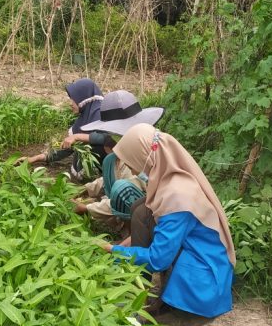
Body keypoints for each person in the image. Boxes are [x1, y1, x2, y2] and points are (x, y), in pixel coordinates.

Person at [97, 123, 235, 319]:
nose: (130, 168)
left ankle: (174, 307)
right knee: (141, 209)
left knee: (165, 320)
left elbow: (158, 259)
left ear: (144, 157)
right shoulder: (169, 180)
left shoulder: (177, 197)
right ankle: (145, 292)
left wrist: (115, 251)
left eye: (130, 160)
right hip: (193, 255)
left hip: (201, 284)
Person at [73, 90, 165, 232]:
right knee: (110, 161)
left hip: (152, 209)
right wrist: (84, 189)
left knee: (123, 189)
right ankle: (120, 223)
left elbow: (125, 193)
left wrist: (86, 208)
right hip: (130, 197)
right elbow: (112, 176)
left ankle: (131, 233)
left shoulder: (141, 151)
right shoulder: (119, 154)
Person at [18, 78, 109, 181]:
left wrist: (78, 136)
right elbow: (68, 147)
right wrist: (34, 159)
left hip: (108, 172)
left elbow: (107, 138)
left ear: (84, 98)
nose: (71, 103)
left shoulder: (102, 115)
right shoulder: (84, 117)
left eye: (74, 99)